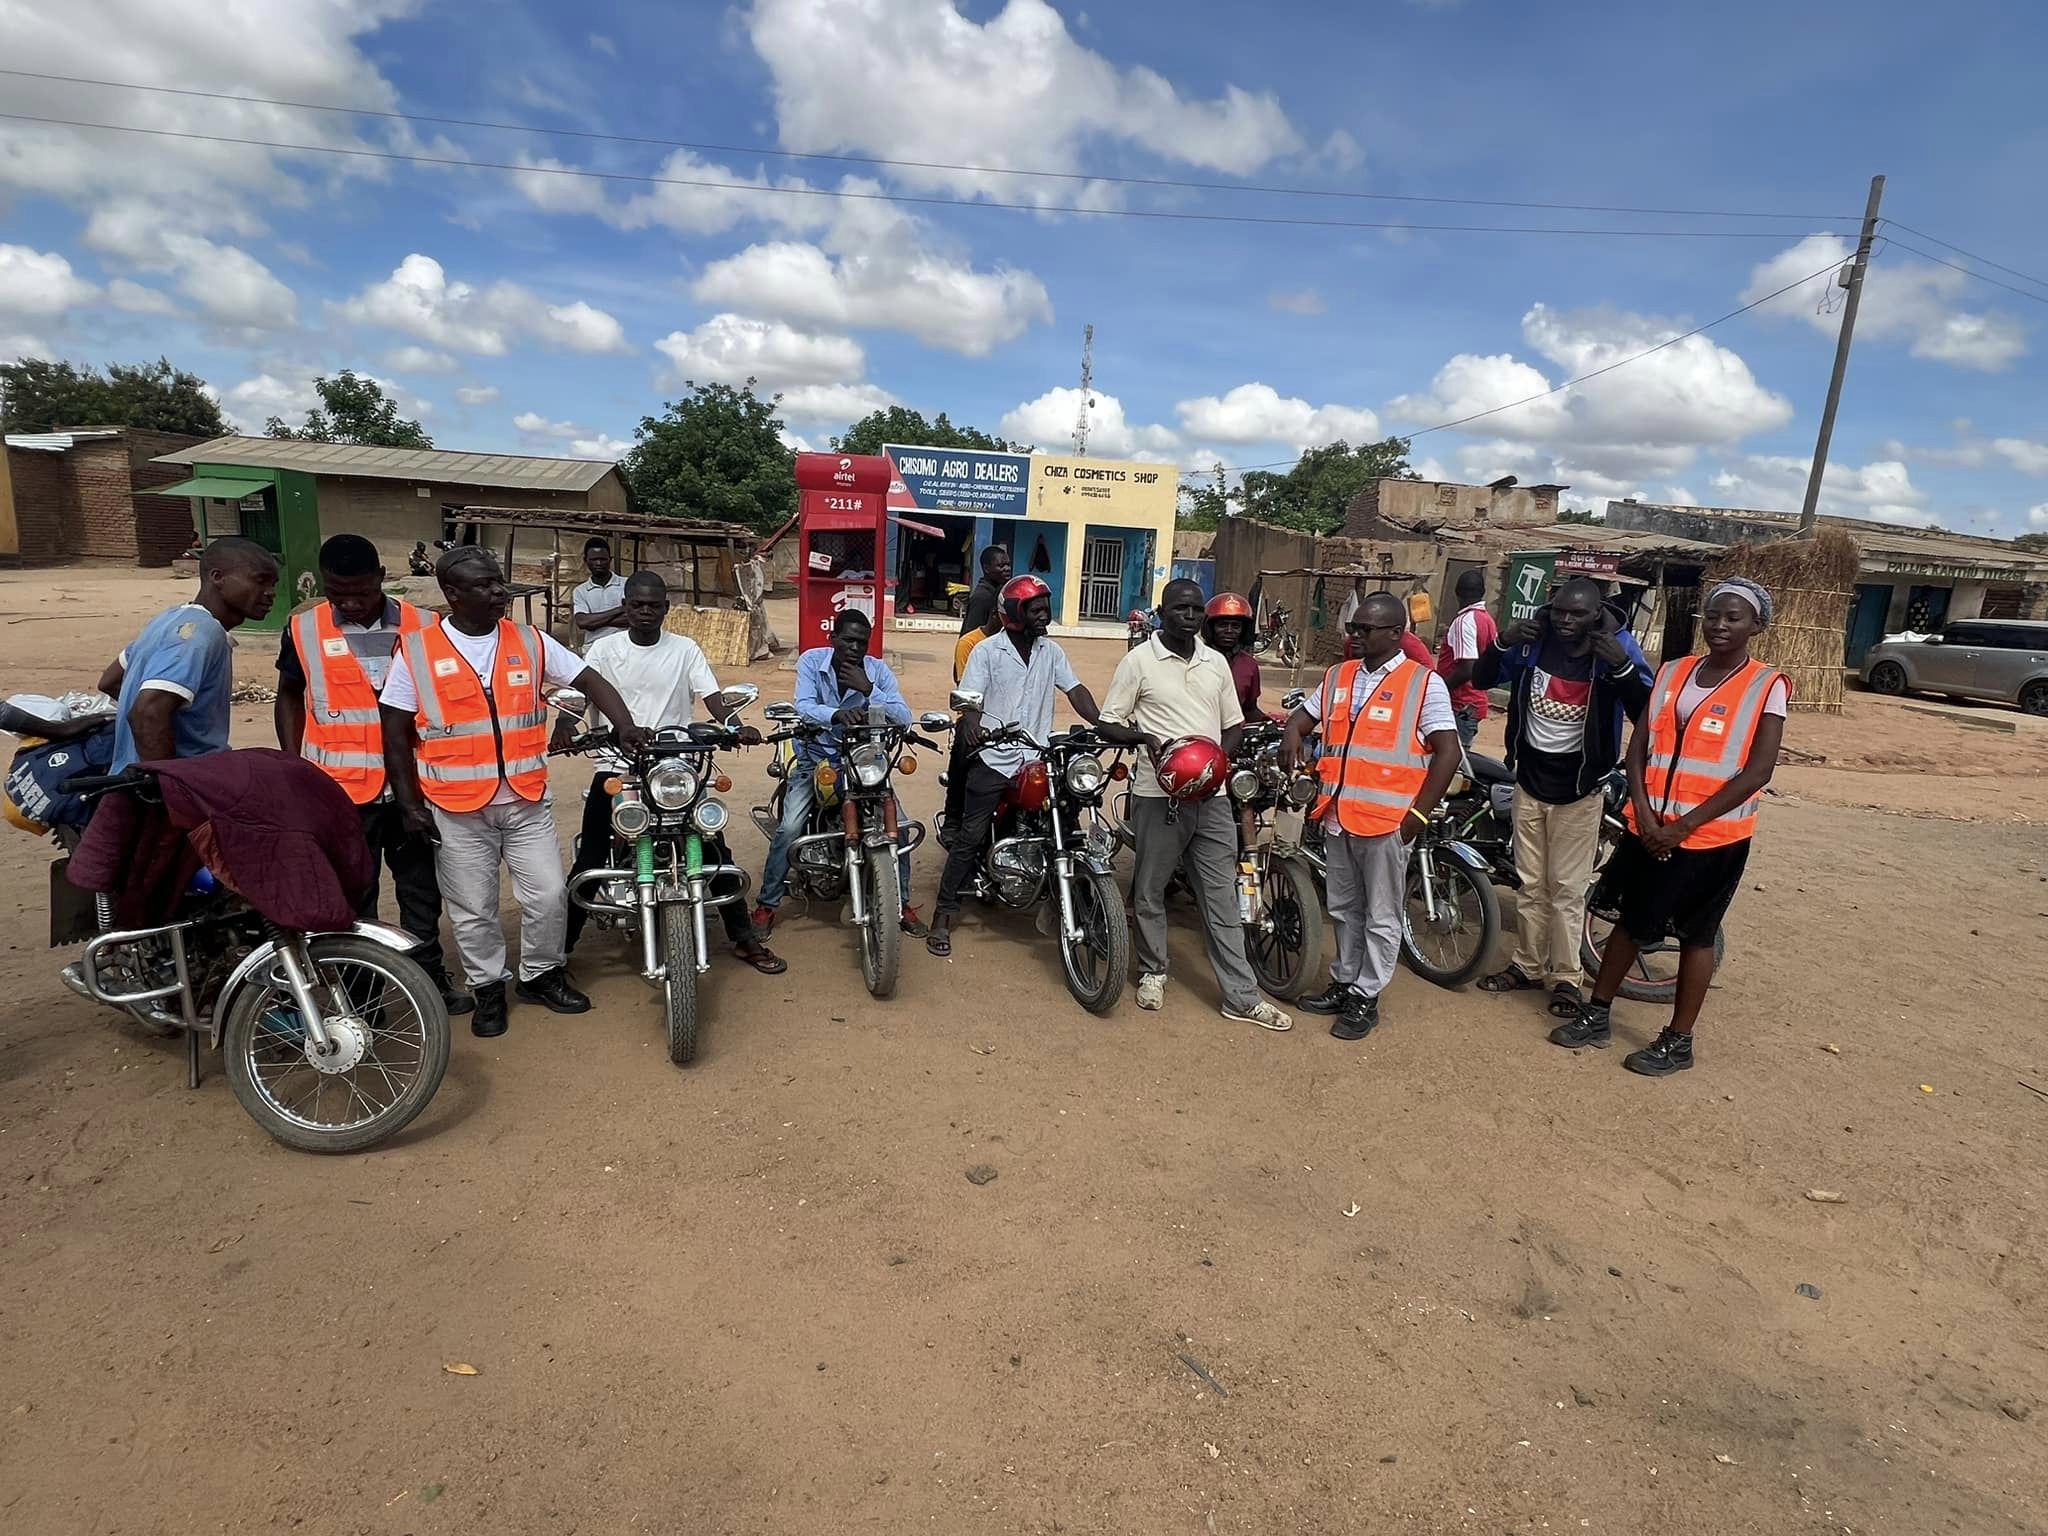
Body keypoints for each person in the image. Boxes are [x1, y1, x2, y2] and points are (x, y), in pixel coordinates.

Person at [379, 547, 651, 1039]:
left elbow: (589, 679)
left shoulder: (529, 640)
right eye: (484, 585)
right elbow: (395, 731)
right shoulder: (417, 651)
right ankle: (487, 989)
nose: (498, 591)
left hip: (525, 800)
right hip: (457, 807)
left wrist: (625, 724)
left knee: (548, 895)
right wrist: (408, 803)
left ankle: (540, 974)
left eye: (498, 581)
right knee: (473, 908)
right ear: (452, 593)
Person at [1552, 578, 1788, 1076]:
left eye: (1734, 618)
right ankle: (1597, 1013)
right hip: (1648, 827)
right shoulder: (1674, 671)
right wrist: (1643, 812)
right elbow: (1640, 745)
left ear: (1756, 626)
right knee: (1629, 922)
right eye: (1713, 615)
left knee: (1696, 935)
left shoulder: (1767, 686)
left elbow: (1758, 771)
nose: (1720, 625)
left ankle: (1678, 1041)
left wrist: (1682, 828)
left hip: (1711, 839)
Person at [551, 570, 786, 974]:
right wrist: (565, 724)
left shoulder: (684, 649)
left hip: (673, 766)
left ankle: (744, 939)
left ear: (665, 608)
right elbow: (580, 693)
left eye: (653, 605)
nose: (645, 611)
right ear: (625, 607)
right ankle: (560, 953)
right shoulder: (604, 650)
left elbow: (712, 697)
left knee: (714, 847)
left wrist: (734, 726)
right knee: (590, 857)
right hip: (617, 765)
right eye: (637, 604)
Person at [276, 533, 469, 1014]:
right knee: (355, 899)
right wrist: (294, 765)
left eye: (361, 591)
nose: (350, 603)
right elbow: (289, 696)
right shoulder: (303, 629)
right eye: (337, 592)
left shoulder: (426, 626)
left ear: (382, 578)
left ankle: (428, 980)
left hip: (412, 790)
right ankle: (362, 999)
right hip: (341, 795)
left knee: (420, 893)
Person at [1097, 578, 1294, 1033]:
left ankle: (1242, 997)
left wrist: (1216, 760)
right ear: (1162, 613)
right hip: (1157, 796)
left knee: (1221, 895)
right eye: (1180, 609)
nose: (1189, 616)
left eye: (1195, 609)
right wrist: (1145, 738)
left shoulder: (1215, 663)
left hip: (1212, 797)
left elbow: (1234, 724)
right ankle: (1153, 971)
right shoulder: (1139, 661)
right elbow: (1109, 722)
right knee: (1150, 890)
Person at [1282, 592, 1461, 1040]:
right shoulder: (1338, 675)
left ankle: (1367, 995)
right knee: (1344, 908)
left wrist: (1418, 815)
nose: (1355, 635)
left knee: (1381, 914)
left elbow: (1448, 752)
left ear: (1396, 633)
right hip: (1338, 815)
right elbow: (1304, 718)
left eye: (1365, 628)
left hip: (1389, 823)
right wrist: (1291, 734)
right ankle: (1345, 981)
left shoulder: (1424, 684)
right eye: (1353, 627)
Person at [1471, 577, 1653, 1020]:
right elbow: (1481, 679)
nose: (1566, 621)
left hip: (1580, 789)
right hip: (1530, 781)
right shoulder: (1532, 639)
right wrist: (1501, 642)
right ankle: (1528, 965)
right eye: (1560, 612)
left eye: (1577, 614)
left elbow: (1647, 713)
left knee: (1567, 890)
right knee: (1531, 884)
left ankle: (1567, 979)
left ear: (1596, 613)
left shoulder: (1618, 647)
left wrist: (1621, 670)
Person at [927, 576, 1099, 957]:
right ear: (1014, 613)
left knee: (1068, 823)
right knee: (971, 834)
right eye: (1034, 609)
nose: (1044, 615)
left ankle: (1083, 904)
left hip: (1036, 756)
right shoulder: (986, 651)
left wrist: (1102, 722)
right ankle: (944, 911)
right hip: (995, 755)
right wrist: (973, 724)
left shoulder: (1051, 652)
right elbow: (968, 700)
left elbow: (1075, 690)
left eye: (1045, 607)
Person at [753, 609, 927, 937]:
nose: (855, 648)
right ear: (832, 638)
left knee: (900, 829)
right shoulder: (811, 662)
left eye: (862, 642)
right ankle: (767, 904)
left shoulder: (877, 671)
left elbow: (904, 717)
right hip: (817, 759)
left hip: (865, 763)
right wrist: (835, 714)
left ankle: (901, 902)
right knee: (789, 829)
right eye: (848, 640)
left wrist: (869, 689)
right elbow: (803, 705)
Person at [108, 536, 279, 772]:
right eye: (260, 581)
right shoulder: (200, 633)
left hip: (131, 775)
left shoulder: (169, 619)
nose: (270, 593)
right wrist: (167, 782)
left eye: (273, 584)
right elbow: (148, 713)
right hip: (184, 780)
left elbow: (111, 680)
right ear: (217, 577)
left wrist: (177, 724)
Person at [1437, 568, 1500, 750]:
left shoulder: (1464, 621)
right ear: (1483, 592)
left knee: (1451, 758)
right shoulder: (1487, 620)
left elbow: (1467, 669)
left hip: (1461, 704)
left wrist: (1439, 690)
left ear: (1457, 592)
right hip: (1474, 701)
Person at [1201, 592, 1277, 722]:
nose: (1229, 630)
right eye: (1222, 625)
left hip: (1234, 731)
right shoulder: (1196, 659)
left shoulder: (1249, 664)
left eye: (1235, 626)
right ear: (1210, 628)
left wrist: (1269, 722)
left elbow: (1249, 709)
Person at [571, 537, 628, 651]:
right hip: (593, 647)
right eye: (594, 559)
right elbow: (582, 622)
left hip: (623, 647)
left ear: (610, 560)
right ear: (585, 560)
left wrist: (594, 622)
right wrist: (620, 610)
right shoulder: (580, 591)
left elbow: (631, 619)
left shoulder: (626, 584)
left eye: (603, 559)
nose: (598, 563)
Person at [957, 544, 1012, 636]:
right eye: (1001, 566)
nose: (1007, 569)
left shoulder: (998, 592)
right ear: (986, 568)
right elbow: (971, 634)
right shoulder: (982, 597)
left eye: (1008, 565)